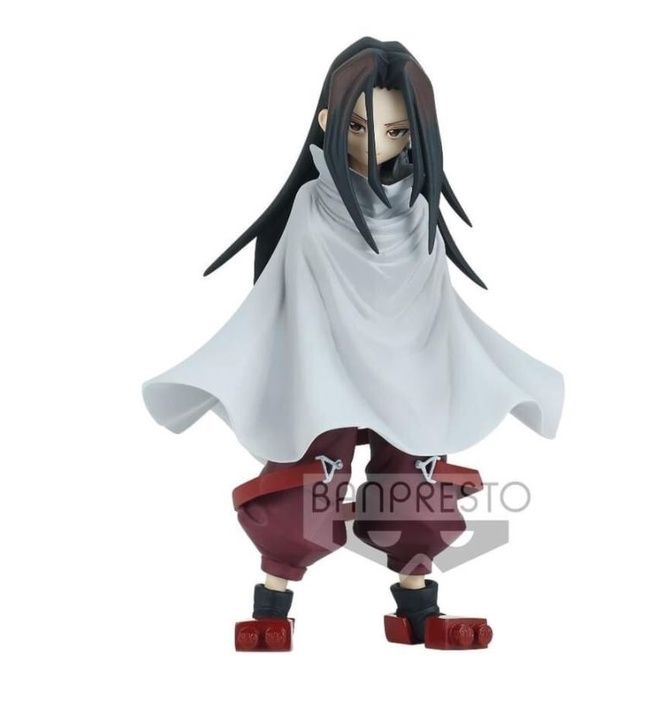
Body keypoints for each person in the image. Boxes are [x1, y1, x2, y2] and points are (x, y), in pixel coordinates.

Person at [142, 37, 564, 651]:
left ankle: (418, 610)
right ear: (329, 121)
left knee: (415, 486)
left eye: (395, 131)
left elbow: (433, 309)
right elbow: (291, 297)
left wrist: (436, 375)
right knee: (308, 484)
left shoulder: (419, 216)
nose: (375, 144)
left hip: (408, 373)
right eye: (360, 127)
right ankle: (271, 605)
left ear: (416, 134)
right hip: (325, 371)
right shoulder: (313, 210)